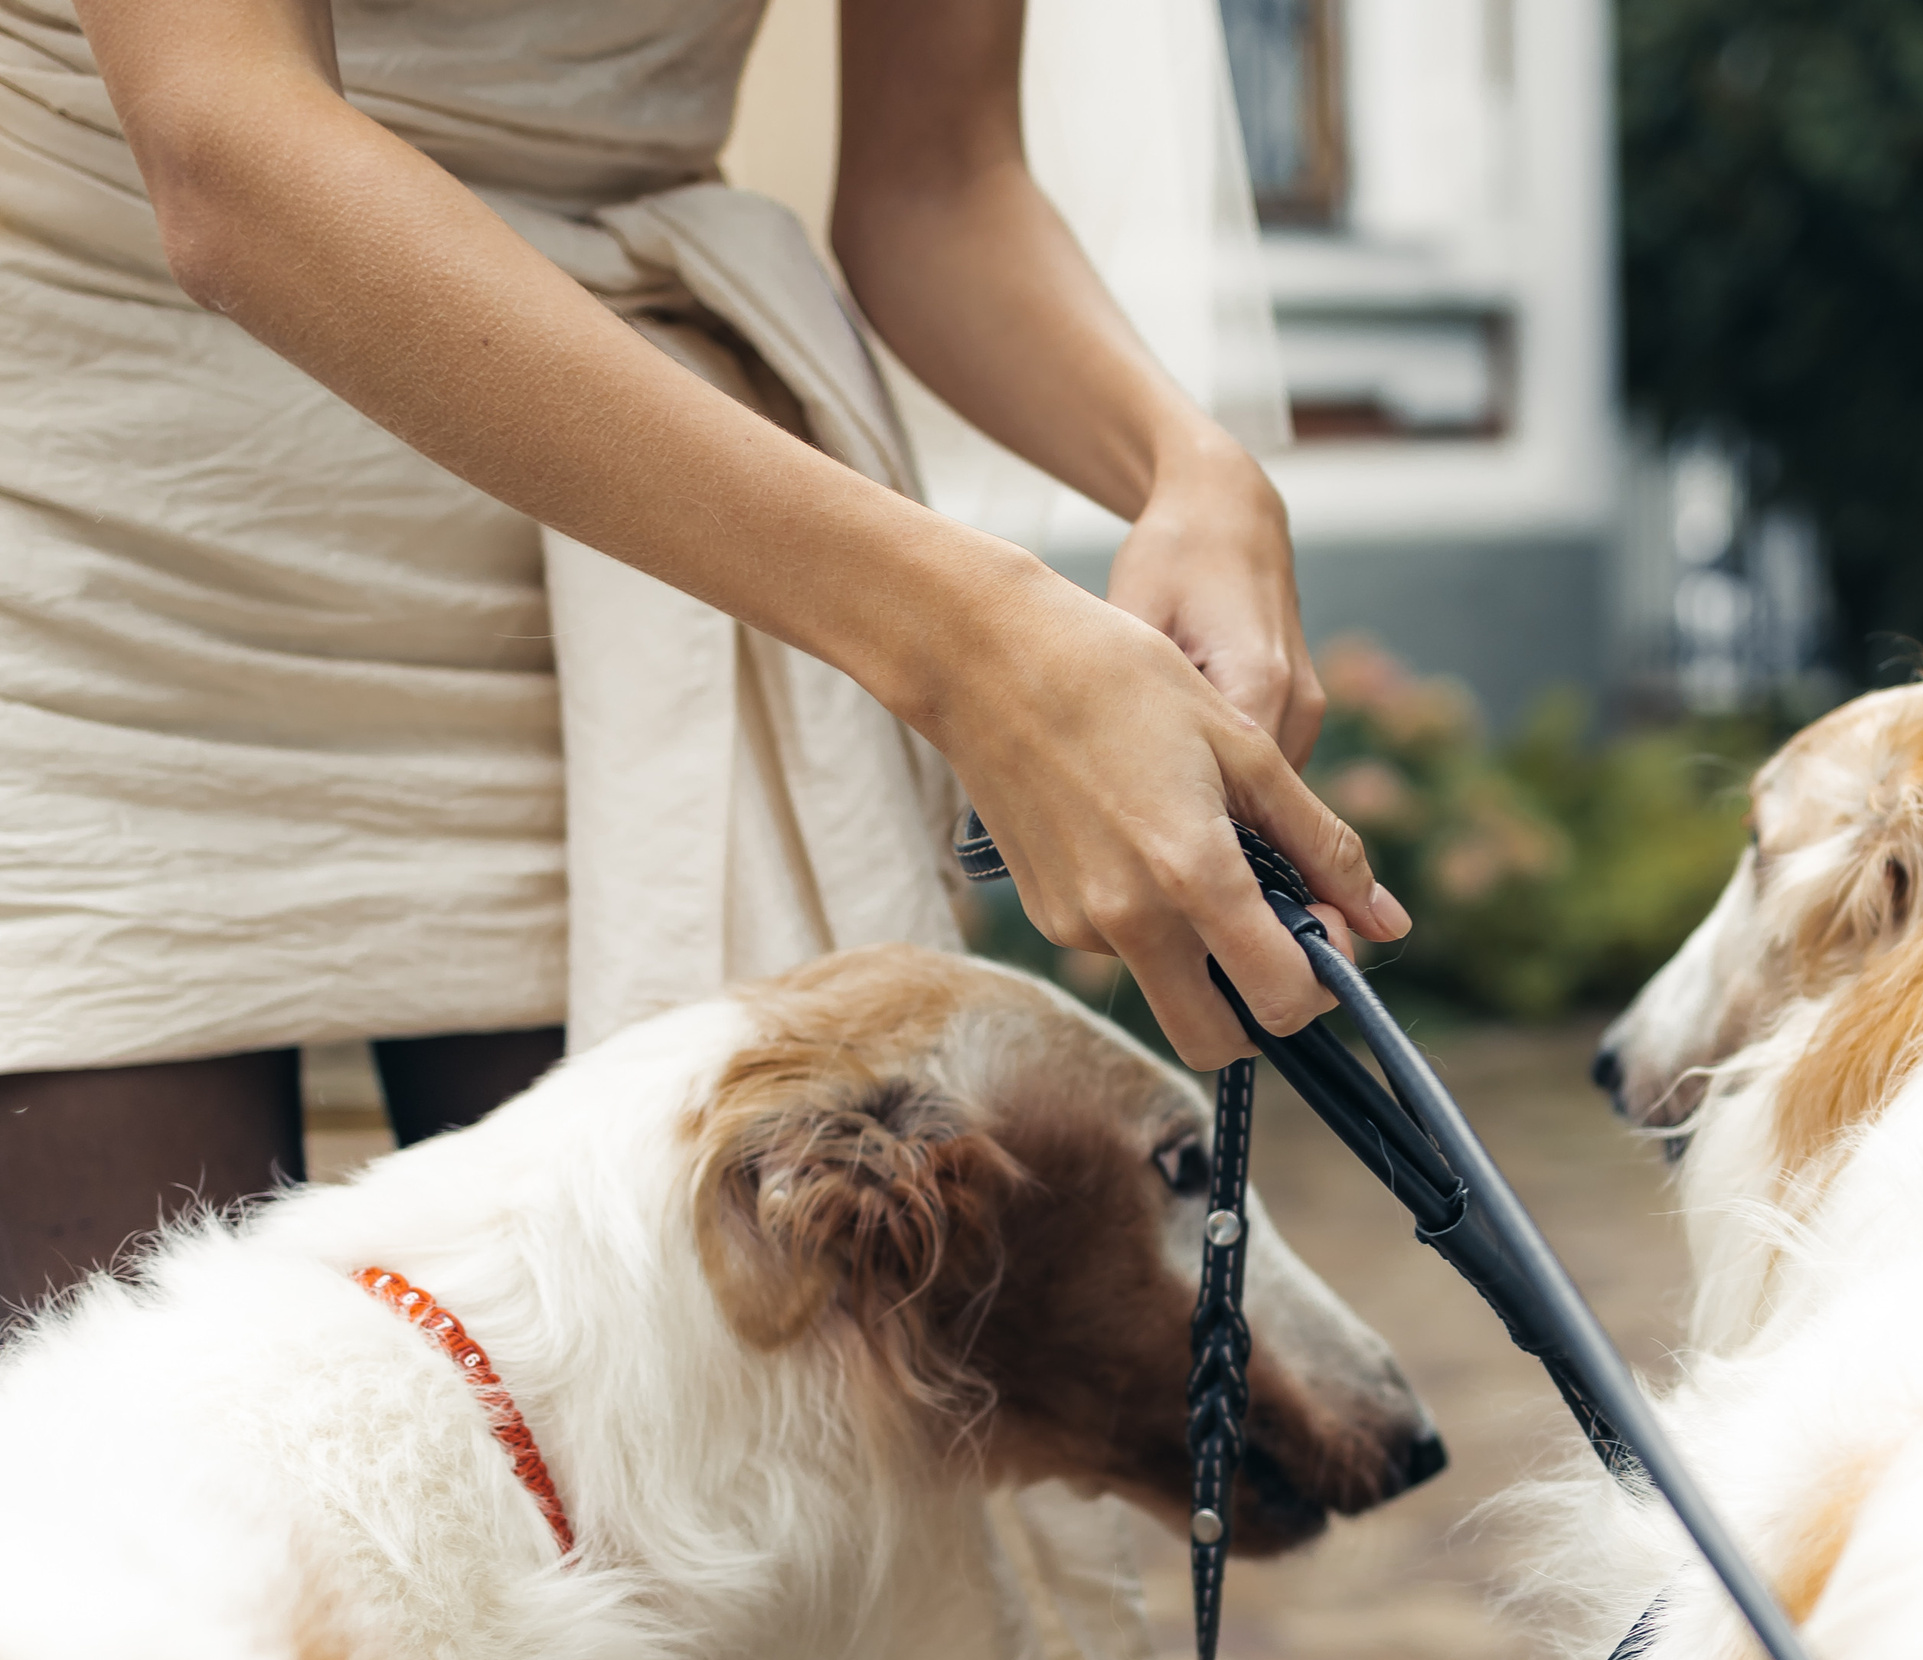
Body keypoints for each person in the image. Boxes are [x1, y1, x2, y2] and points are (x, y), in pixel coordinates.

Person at [0, 0, 1406, 1319]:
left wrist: (1187, 466)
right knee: (127, 1499)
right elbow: (228, 151)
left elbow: (941, 191)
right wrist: (962, 638)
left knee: (675, 1469)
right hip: (95, 556)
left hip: (631, 590)